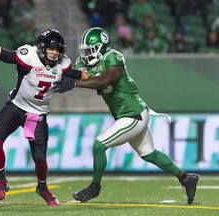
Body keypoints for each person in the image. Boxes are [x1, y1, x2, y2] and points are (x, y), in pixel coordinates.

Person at [53, 27, 199, 205]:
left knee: (99, 145)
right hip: (127, 114)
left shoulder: (113, 57)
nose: (87, 54)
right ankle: (186, 178)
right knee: (149, 154)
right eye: (85, 51)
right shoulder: (85, 62)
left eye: (91, 50)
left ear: (103, 47)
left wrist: (75, 83)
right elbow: (77, 73)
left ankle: (94, 187)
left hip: (133, 114)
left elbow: (105, 79)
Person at [0, 17, 85, 206]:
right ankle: (1, 181)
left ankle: (42, 188)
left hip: (37, 114)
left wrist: (79, 81)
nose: (54, 53)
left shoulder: (63, 65)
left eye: (58, 49)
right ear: (42, 47)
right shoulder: (28, 56)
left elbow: (84, 74)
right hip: (16, 106)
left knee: (40, 158)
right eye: (51, 48)